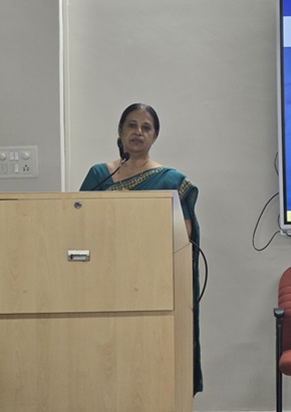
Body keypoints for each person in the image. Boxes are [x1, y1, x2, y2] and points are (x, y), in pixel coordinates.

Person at [80, 102, 204, 395]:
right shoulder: (99, 175)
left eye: (146, 127)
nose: (138, 132)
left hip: (154, 282)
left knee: (150, 360)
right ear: (120, 131)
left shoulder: (172, 181)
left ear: (154, 136)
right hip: (106, 282)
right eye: (132, 125)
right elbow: (80, 223)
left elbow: (184, 234)